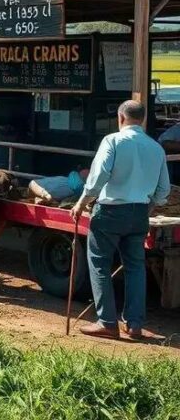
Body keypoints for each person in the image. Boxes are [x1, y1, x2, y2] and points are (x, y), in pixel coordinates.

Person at [70, 101, 170, 340]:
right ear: (142, 119)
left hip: (110, 210)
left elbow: (98, 176)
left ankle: (107, 322)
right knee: (135, 267)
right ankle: (134, 324)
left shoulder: (112, 141)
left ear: (120, 117)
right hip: (139, 212)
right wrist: (150, 206)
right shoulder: (156, 148)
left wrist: (81, 202)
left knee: (99, 264)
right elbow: (163, 189)